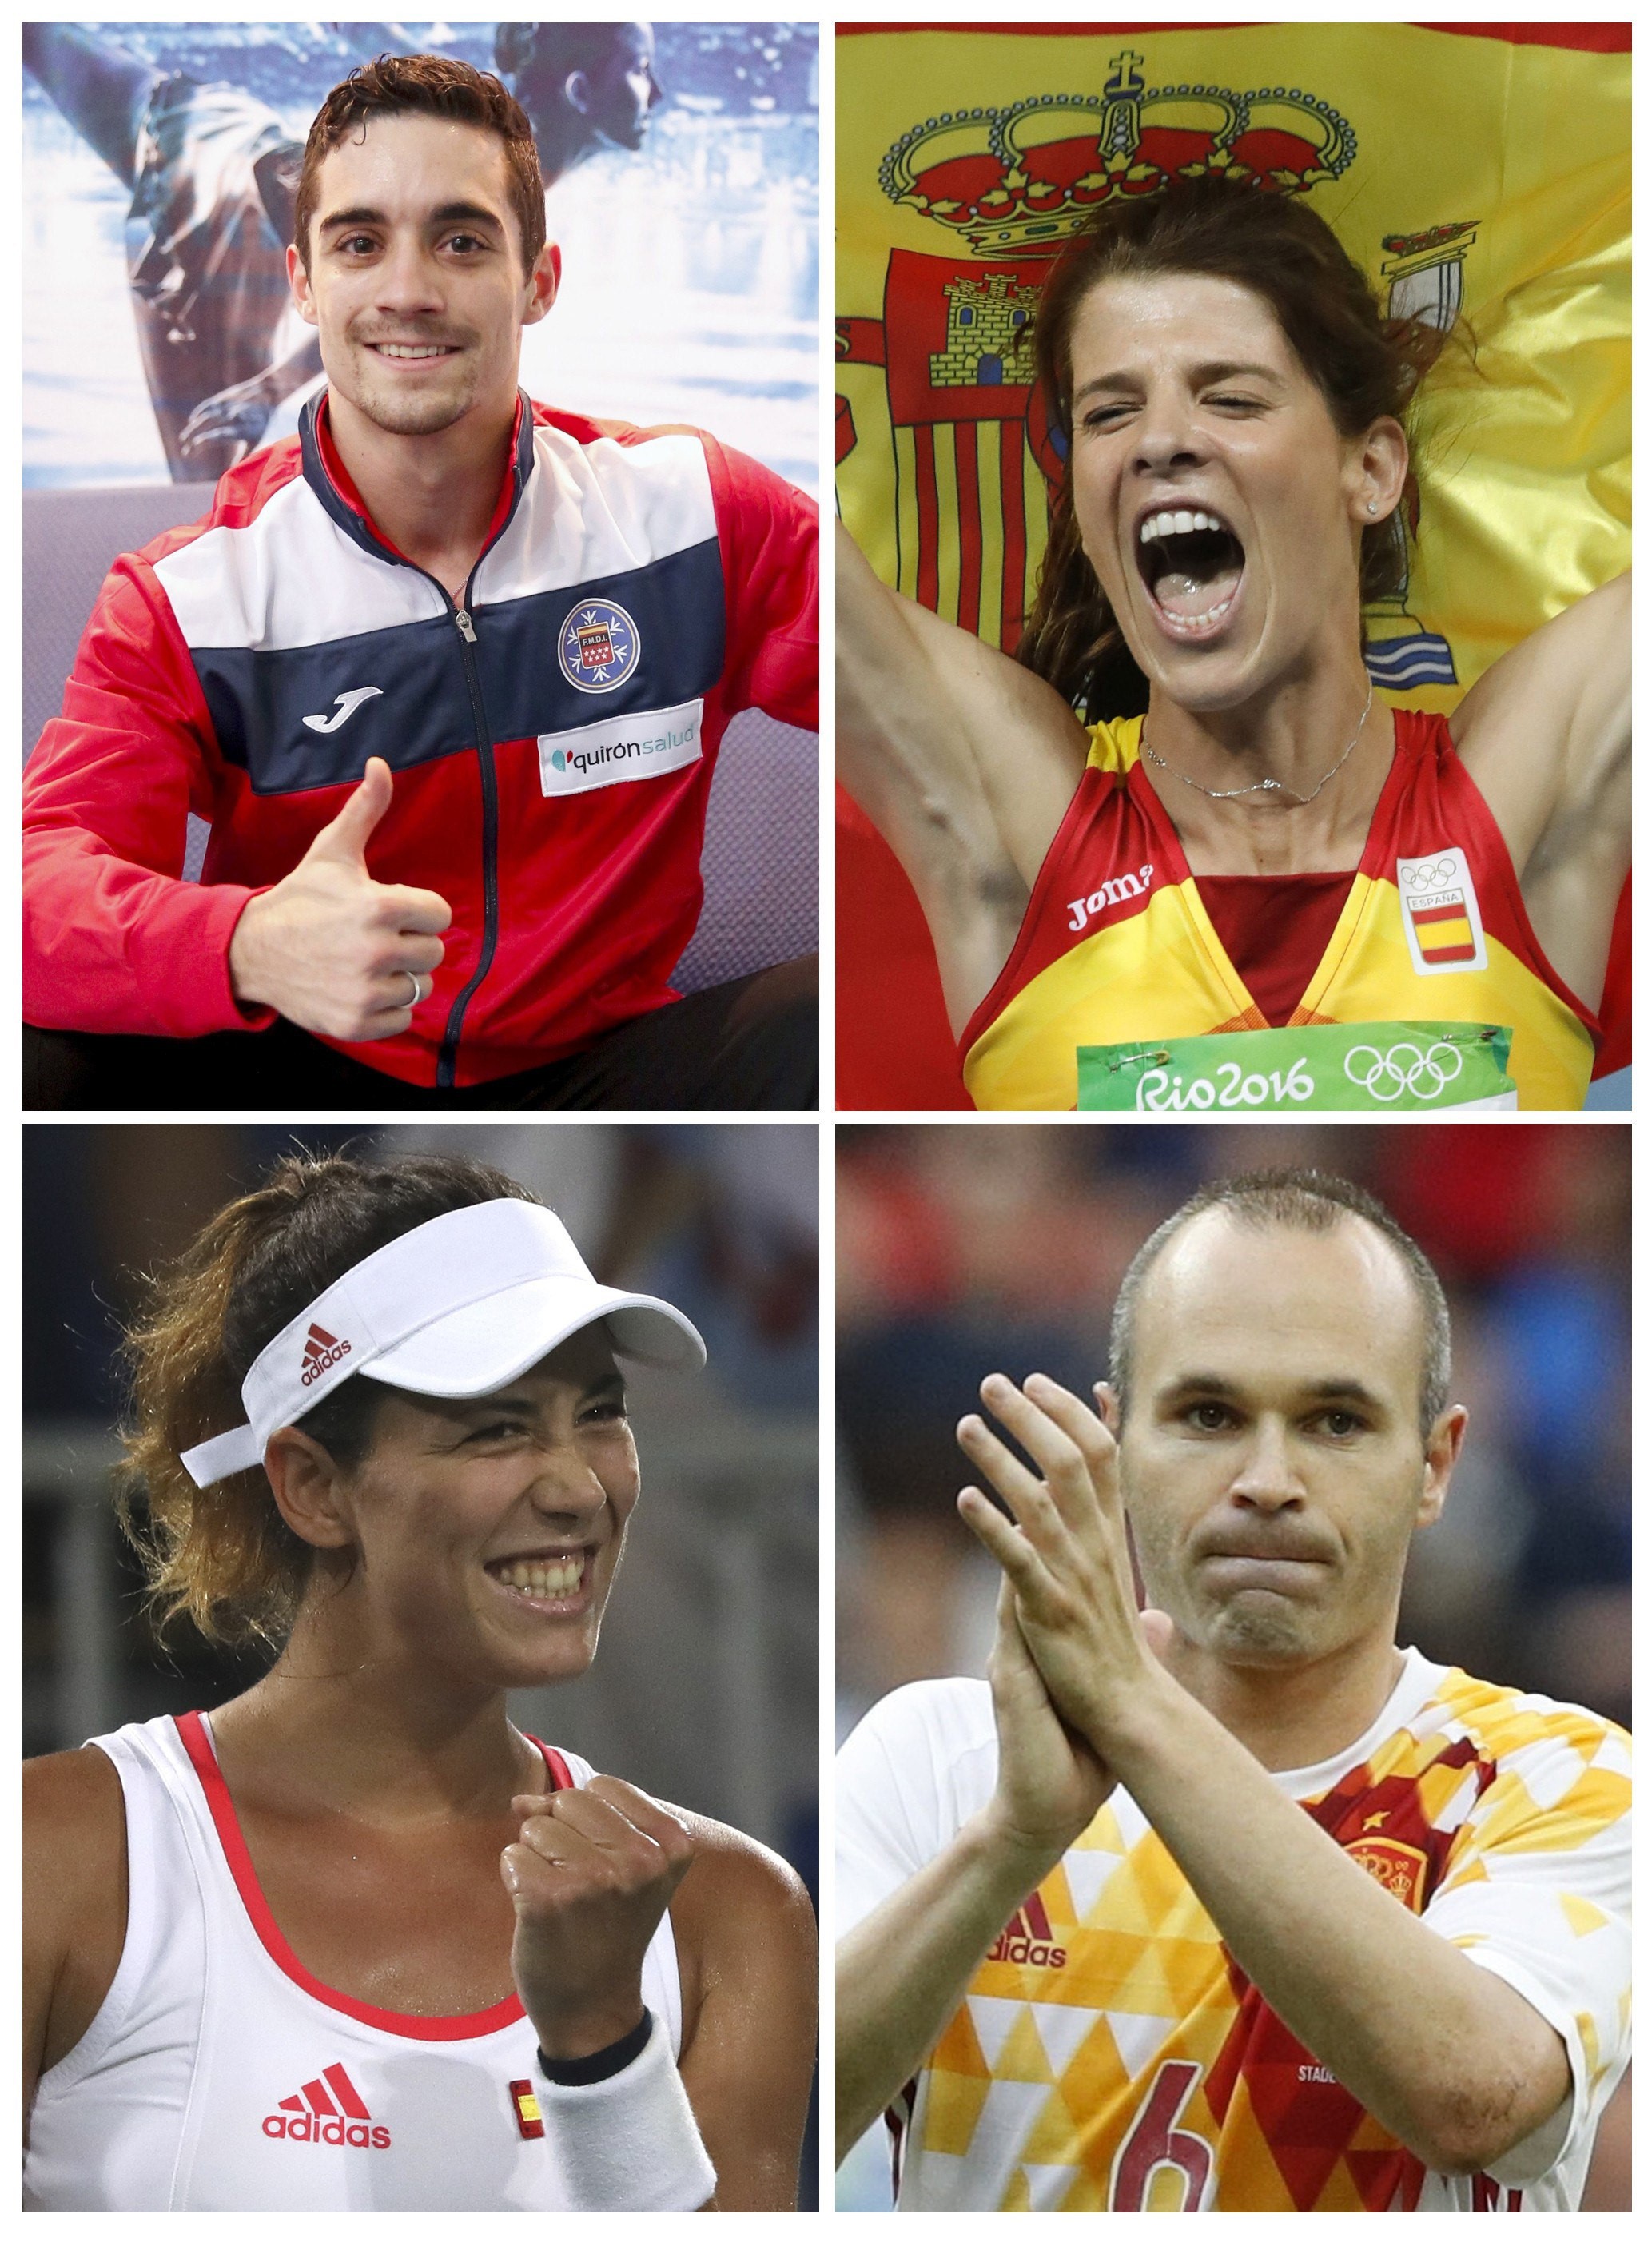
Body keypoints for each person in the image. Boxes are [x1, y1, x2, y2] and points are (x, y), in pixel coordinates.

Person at [24, 53, 818, 1113]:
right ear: (303, 281)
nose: (408, 290)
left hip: (607, 1071)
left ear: (536, 280)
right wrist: (248, 941)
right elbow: (35, 895)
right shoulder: (184, 598)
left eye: (459, 239)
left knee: (826, 1024)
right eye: (360, 242)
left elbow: (922, 705)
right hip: (303, 1074)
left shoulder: (696, 516)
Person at [23, 1151, 817, 2212]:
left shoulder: (729, 1911)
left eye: (599, 1412)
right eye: (496, 1428)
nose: (579, 1485)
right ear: (310, 1485)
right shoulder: (53, 1860)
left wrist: (600, 2046)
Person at [836, 1169, 1630, 2212]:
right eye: (1207, 1414)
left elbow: (1475, 2100)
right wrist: (1005, 1848)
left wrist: (1130, 1709)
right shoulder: (940, 1755)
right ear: (1115, 1443)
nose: (1267, 1478)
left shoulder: (1557, 1770)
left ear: (1434, 1464)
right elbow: (763, 2130)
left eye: (1334, 1422)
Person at [838, 181, 1628, 1111]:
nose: (1160, 440)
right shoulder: (1019, 838)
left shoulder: (1519, 803)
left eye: (1233, 399)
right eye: (1106, 413)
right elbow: (782, 549)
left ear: (1371, 469)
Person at [175, 24, 667, 468]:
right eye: (641, 70)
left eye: (460, 243)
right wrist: (269, 388)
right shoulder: (479, 144)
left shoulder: (492, 147)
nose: (659, 93)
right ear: (580, 90)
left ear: (540, 283)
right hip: (214, 160)